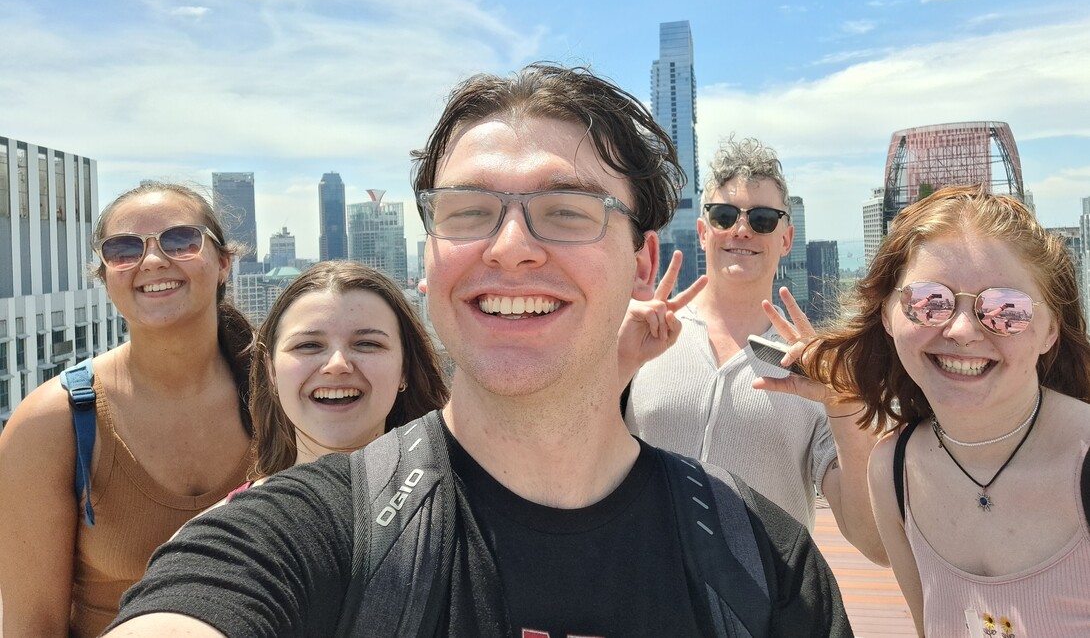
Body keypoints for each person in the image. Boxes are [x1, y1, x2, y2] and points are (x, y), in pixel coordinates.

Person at [103, 64, 850, 638]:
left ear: (644, 264)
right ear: (426, 264)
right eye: (468, 212)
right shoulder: (300, 539)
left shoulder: (765, 560)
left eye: (568, 211)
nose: (513, 248)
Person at [806, 185, 1090, 636]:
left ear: (1050, 329)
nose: (961, 330)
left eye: (1004, 309)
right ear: (886, 314)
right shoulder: (893, 470)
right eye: (928, 302)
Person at [0, 182, 255, 638]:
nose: (153, 261)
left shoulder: (283, 396)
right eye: (123, 249)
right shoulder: (52, 423)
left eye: (181, 240)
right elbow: (32, 627)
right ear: (105, 276)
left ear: (223, 264)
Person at [625, 137, 886, 563]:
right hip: (643, 596)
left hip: (766, 613)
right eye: (725, 215)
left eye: (763, 218)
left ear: (787, 239)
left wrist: (844, 404)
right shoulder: (645, 335)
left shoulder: (816, 370)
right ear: (703, 230)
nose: (742, 229)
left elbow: (874, 543)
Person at [245, 259, 449, 479]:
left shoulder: (469, 507)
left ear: (405, 369)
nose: (337, 364)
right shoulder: (234, 514)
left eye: (367, 344)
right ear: (271, 370)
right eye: (308, 345)